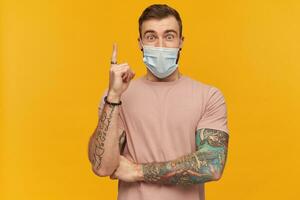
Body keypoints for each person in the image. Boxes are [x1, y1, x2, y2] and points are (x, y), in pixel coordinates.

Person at [88, 4, 229, 200]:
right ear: (140, 43)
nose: (160, 46)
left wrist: (138, 171)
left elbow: (212, 165)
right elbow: (102, 166)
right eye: (151, 37)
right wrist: (113, 97)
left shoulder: (209, 96)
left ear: (181, 41)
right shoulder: (118, 97)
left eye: (169, 36)